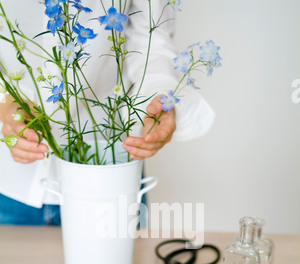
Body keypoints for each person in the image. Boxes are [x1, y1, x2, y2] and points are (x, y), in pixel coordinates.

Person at [0, 0, 215, 225]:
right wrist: (5, 102)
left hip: (110, 173)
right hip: (10, 184)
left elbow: (152, 41)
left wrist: (158, 98)